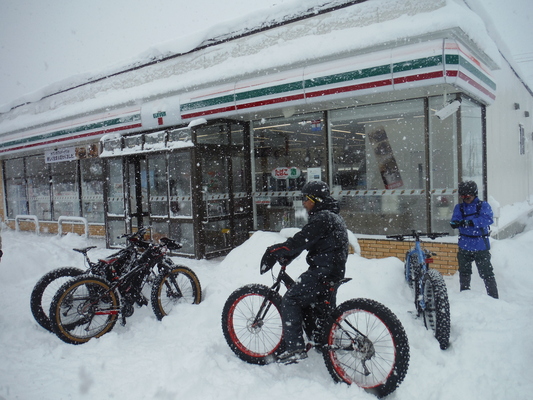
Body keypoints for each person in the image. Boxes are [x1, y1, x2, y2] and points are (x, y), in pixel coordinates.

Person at [260, 180, 349, 364]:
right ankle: (323, 339)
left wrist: (274, 251)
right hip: (332, 271)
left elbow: (299, 241)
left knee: (291, 299)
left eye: (305, 199)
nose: (303, 203)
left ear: (315, 199)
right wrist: (289, 256)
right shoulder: (332, 217)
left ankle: (295, 348)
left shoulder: (323, 218)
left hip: (323, 272)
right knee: (320, 311)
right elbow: (309, 243)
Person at [450, 181, 499, 298]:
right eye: (463, 197)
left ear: (474, 194)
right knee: (464, 272)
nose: (465, 199)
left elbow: (487, 219)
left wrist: (471, 222)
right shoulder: (460, 207)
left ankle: (494, 298)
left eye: (468, 196)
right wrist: (455, 223)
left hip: (480, 245)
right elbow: (455, 219)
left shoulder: (483, 206)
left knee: (487, 273)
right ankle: (465, 296)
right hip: (464, 245)